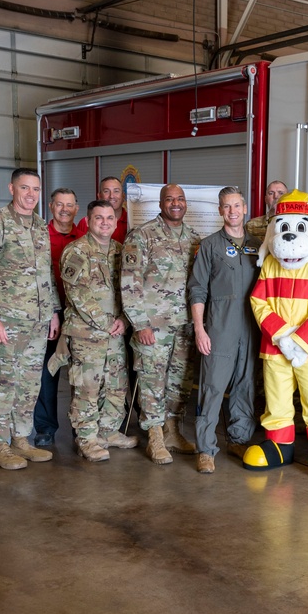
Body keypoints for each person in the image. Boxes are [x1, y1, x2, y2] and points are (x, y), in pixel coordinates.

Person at [0, 168, 61, 470]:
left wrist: (53, 313)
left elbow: (47, 273)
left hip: (37, 321)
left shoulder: (39, 225)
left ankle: (21, 440)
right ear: (11, 188)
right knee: (2, 384)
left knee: (29, 383)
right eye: (25, 188)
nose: (31, 194)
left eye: (36, 189)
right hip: (7, 321)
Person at [121, 183, 202, 464]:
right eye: (170, 199)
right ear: (160, 203)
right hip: (153, 326)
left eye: (180, 199)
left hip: (185, 325)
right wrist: (140, 323)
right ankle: (154, 435)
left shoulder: (194, 238)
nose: (176, 204)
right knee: (152, 380)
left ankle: (172, 430)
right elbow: (130, 283)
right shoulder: (142, 236)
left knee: (180, 381)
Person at [55, 200, 136, 461]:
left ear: (115, 221)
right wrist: (106, 322)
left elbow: (129, 291)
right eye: (98, 218)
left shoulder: (121, 251)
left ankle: (108, 432)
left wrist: (124, 319)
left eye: (109, 218)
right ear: (88, 222)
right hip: (87, 334)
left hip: (115, 333)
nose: (104, 222)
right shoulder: (76, 251)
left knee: (116, 385)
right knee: (87, 388)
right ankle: (87, 439)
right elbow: (77, 294)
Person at [189, 186, 261, 474]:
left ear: (245, 208)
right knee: (213, 387)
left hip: (251, 326)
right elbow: (197, 289)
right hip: (219, 326)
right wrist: (199, 329)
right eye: (226, 206)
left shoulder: (258, 244)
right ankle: (206, 449)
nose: (232, 211)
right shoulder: (209, 246)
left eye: (236, 205)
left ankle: (239, 438)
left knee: (245, 386)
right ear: (220, 211)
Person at [33, 188, 86, 446]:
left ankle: (81, 428)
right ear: (51, 206)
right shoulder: (38, 237)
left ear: (77, 209)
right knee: (47, 373)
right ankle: (45, 428)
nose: (65, 209)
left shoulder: (86, 238)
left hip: (80, 317)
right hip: (47, 316)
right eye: (59, 204)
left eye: (70, 205)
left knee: (82, 375)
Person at [98, 176, 129, 242]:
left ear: (123, 196)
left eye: (116, 191)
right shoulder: (86, 223)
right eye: (106, 191)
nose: (111, 196)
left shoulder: (132, 221)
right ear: (99, 196)